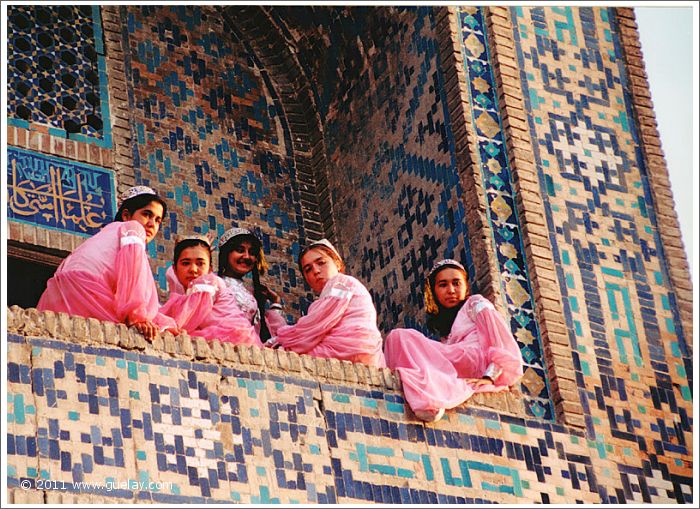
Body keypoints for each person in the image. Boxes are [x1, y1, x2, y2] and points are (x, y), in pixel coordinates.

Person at [384, 259, 523, 422]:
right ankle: (431, 393)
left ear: (466, 287)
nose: (451, 290)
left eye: (456, 283)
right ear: (434, 291)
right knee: (395, 339)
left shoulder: (476, 303)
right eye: (443, 285)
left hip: (472, 360)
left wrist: (488, 377)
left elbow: (501, 344)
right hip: (454, 363)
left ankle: (429, 399)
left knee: (400, 337)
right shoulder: (445, 328)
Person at [37, 185, 178, 340]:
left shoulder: (105, 234)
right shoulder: (133, 228)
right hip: (85, 292)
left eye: (158, 220)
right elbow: (132, 277)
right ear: (126, 215)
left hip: (59, 295)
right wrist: (138, 318)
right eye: (146, 214)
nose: (152, 224)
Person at [265, 239, 386, 368]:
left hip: (351, 347)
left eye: (321, 263)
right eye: (308, 269)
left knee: (281, 357)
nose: (316, 271)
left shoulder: (342, 283)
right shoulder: (331, 293)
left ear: (338, 263)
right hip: (359, 351)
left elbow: (317, 324)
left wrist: (281, 338)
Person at [160, 234, 262, 346]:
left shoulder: (209, 282)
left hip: (231, 336)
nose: (193, 269)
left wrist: (163, 325)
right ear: (175, 269)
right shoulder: (195, 289)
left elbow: (189, 316)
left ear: (210, 269)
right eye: (186, 263)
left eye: (200, 263)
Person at [217, 227, 286, 340]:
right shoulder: (213, 282)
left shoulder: (252, 295)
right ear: (226, 254)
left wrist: (276, 303)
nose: (247, 256)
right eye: (240, 250)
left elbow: (266, 336)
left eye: (252, 252)